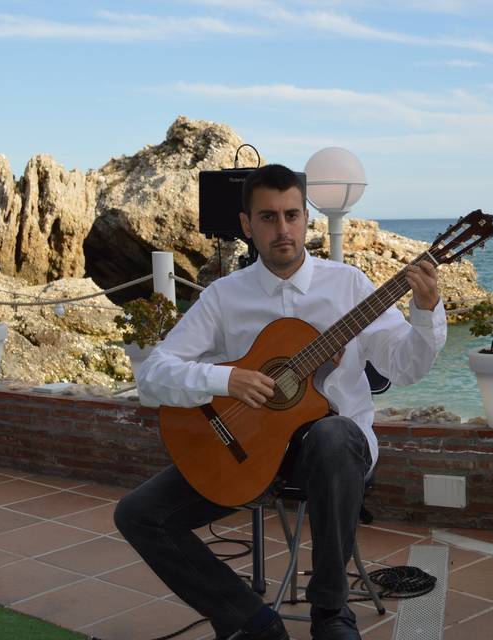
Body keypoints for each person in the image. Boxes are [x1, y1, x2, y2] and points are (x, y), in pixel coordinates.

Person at [114, 164, 447, 640]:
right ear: (247, 226)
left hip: (337, 456)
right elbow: (153, 376)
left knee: (333, 434)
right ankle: (250, 621)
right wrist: (225, 380)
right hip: (248, 448)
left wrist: (425, 310)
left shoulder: (348, 285)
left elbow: (406, 366)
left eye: (292, 215)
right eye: (268, 218)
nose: (283, 229)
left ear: (307, 218)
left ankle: (331, 613)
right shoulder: (223, 297)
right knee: (139, 514)